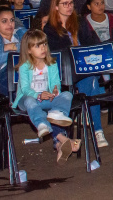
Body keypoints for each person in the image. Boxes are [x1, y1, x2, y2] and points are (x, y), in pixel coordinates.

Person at [43, 0, 108, 147]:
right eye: (64, 3)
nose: (69, 6)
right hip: (64, 71)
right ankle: (94, 126)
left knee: (92, 79)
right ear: (56, 7)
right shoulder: (50, 29)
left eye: (71, 3)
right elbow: (57, 54)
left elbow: (92, 42)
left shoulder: (80, 21)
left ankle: (95, 126)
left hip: (84, 68)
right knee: (92, 82)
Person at [13, 29, 81, 162]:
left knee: (67, 95)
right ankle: (43, 125)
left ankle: (57, 119)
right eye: (38, 46)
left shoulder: (51, 63)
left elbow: (56, 82)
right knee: (30, 101)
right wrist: (39, 95)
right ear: (28, 50)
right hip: (28, 100)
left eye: (44, 44)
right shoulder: (25, 67)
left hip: (47, 99)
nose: (43, 48)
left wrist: (55, 90)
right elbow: (25, 89)